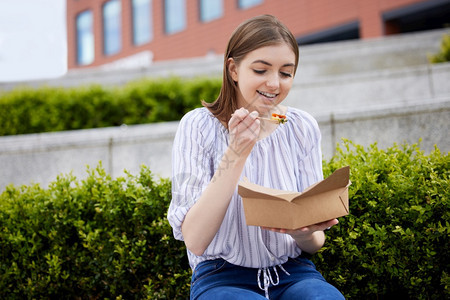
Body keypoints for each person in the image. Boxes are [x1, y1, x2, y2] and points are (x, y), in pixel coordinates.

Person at [167, 14, 345, 299]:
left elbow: (314, 243)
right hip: (220, 276)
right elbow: (196, 240)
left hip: (293, 272)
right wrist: (237, 151)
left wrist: (303, 231)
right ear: (233, 70)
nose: (274, 84)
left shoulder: (299, 126)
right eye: (261, 70)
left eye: (286, 73)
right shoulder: (198, 126)